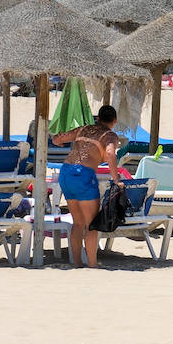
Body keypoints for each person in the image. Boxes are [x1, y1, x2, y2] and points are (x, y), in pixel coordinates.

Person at [53, 105, 121, 268]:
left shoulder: (84, 129)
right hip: (83, 174)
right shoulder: (110, 135)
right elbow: (110, 154)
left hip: (66, 172)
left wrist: (58, 143)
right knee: (91, 224)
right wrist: (116, 179)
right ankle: (92, 264)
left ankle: (77, 262)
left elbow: (58, 138)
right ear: (114, 121)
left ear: (98, 118)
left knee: (77, 222)